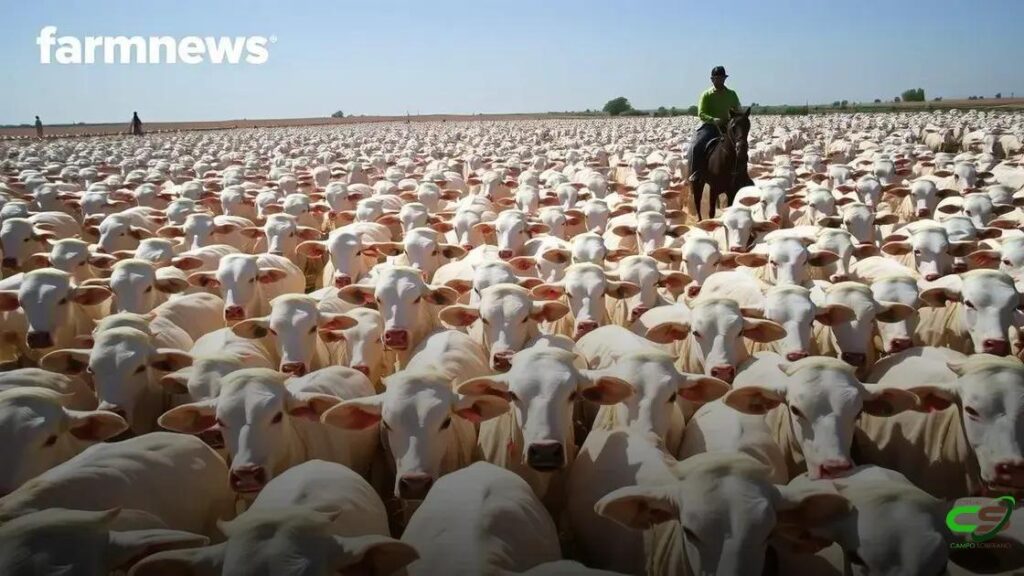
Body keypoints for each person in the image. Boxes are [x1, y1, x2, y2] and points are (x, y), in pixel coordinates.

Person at [688, 66, 741, 182]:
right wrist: (713, 119)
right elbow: (701, 113)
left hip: (727, 127)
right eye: (716, 78)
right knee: (696, 146)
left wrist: (737, 118)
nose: (719, 81)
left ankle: (741, 173)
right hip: (710, 127)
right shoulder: (706, 95)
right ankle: (696, 173)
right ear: (712, 79)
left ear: (725, 79)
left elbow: (738, 110)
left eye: (721, 78)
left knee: (741, 145)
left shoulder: (732, 94)